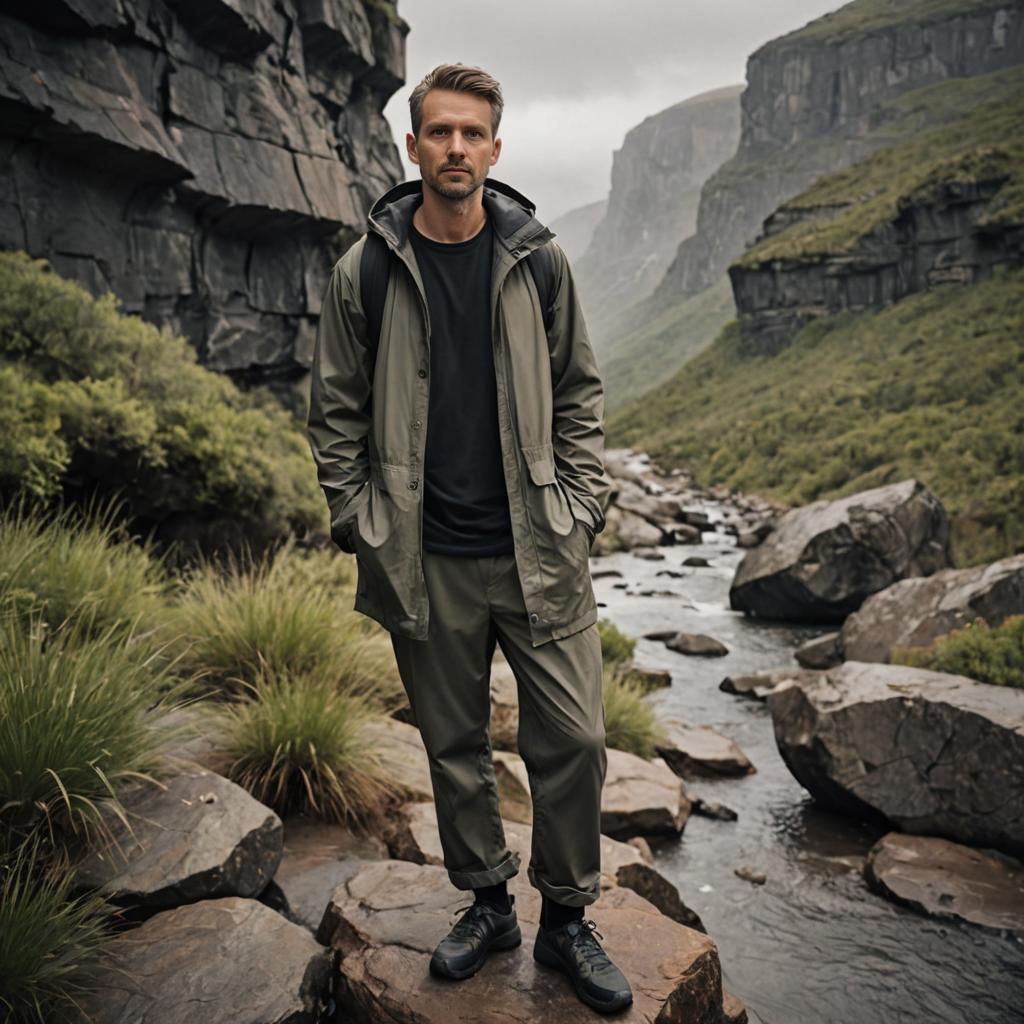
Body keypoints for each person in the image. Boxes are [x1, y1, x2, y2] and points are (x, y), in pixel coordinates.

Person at [306, 62, 631, 1014]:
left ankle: (567, 918)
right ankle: (487, 901)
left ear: (496, 146)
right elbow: (334, 414)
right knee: (454, 744)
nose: (455, 148)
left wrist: (580, 502)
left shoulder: (539, 260)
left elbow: (579, 389)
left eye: (472, 133)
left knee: (573, 737)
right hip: (424, 557)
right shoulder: (364, 269)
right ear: (413, 147)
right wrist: (360, 520)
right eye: (438, 132)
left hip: (541, 548)